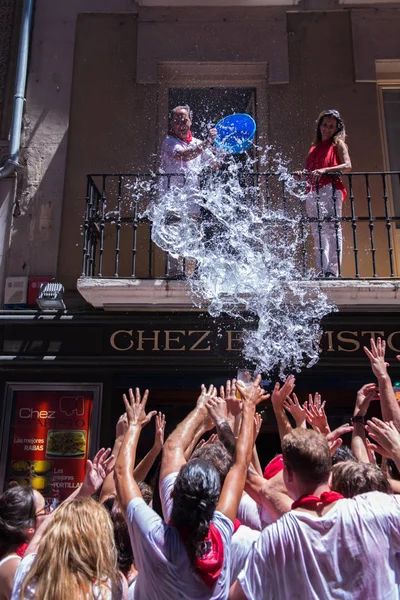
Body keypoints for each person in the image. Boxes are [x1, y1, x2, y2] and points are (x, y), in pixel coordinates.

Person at [114, 379, 267, 599]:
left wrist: (136, 425)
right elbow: (241, 464)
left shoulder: (153, 535)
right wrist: (249, 406)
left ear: (173, 493)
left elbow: (122, 472)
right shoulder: (222, 532)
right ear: (216, 501)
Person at [229, 428, 400, 600]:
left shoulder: (276, 538)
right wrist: (397, 450)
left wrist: (225, 422)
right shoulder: (375, 510)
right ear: (329, 471)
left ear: (287, 473)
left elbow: (268, 489)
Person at [159, 105, 218, 278]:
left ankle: (194, 273)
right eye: (176, 121)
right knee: (173, 234)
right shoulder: (169, 142)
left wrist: (224, 145)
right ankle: (175, 272)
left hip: (192, 200)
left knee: (193, 235)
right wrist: (207, 142)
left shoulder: (198, 143)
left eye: (183, 120)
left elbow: (215, 164)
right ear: (172, 124)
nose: (180, 124)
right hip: (172, 200)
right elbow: (184, 155)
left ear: (190, 122)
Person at [301, 109, 352, 278]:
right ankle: (322, 270)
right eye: (325, 125)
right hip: (312, 191)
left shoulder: (338, 144)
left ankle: (333, 270)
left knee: (332, 228)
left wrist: (325, 170)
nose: (327, 128)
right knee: (317, 231)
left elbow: (347, 165)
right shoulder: (313, 148)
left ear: (337, 128)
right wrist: (303, 173)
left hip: (330, 188)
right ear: (320, 126)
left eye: (331, 126)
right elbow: (312, 170)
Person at [0, 487, 50, 600]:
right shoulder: (14, 568)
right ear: (29, 528)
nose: (50, 510)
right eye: (45, 508)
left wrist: (85, 489)